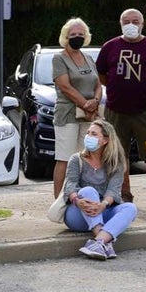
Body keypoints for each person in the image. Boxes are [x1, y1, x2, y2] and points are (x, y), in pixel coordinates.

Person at [95, 8, 146, 208]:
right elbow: (102, 75)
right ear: (120, 24)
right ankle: (124, 194)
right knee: (118, 155)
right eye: (126, 21)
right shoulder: (110, 47)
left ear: (142, 24)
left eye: (135, 21)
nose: (131, 24)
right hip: (116, 110)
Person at [59, 119, 139, 260]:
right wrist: (77, 201)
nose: (88, 136)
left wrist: (103, 205)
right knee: (89, 191)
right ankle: (102, 239)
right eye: (88, 133)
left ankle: (99, 242)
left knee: (131, 208)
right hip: (78, 212)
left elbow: (113, 191)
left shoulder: (116, 163)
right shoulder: (76, 159)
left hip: (103, 210)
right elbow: (70, 185)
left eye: (94, 134)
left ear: (105, 140)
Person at [51, 17, 101, 198]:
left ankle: (82, 195)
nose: (77, 37)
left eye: (81, 34)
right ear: (66, 36)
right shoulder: (59, 58)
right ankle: (58, 199)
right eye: (73, 34)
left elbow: (97, 83)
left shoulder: (88, 57)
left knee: (85, 158)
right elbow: (65, 86)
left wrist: (95, 100)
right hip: (68, 115)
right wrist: (85, 104)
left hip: (88, 116)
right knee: (65, 158)